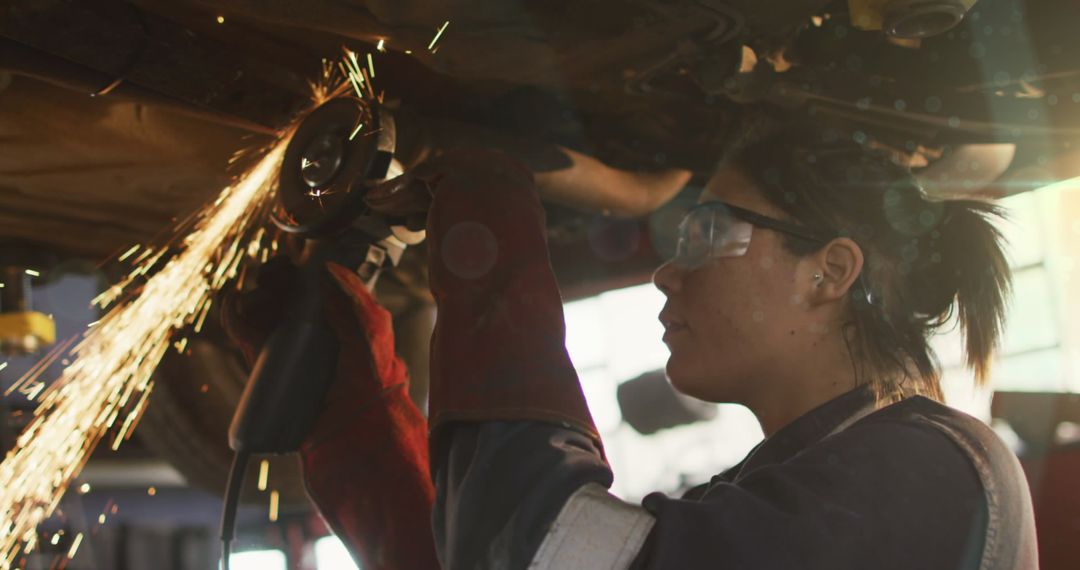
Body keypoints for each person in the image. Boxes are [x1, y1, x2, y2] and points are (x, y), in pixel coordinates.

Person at [226, 114, 1038, 569]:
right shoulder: (803, 488)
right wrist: (356, 412)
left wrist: (493, 246)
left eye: (708, 232)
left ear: (828, 272)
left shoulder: (931, 470)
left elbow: (538, 549)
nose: (665, 274)